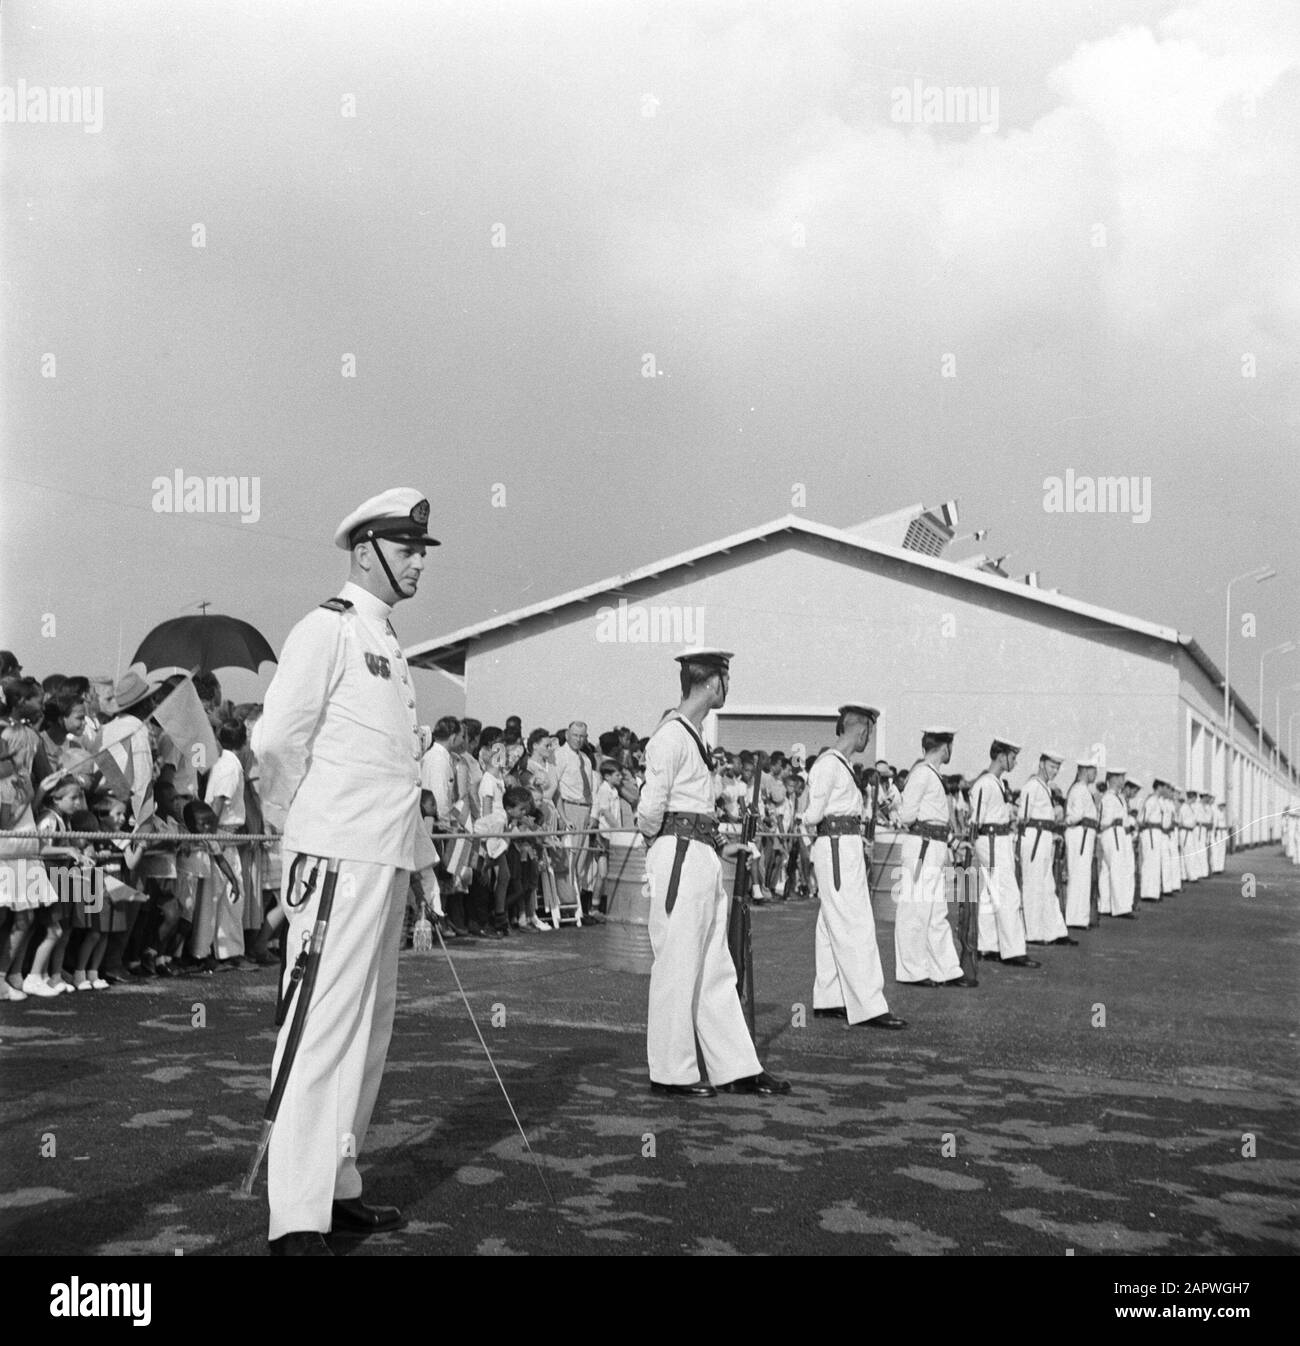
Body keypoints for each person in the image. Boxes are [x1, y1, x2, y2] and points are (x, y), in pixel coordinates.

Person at [255, 486, 441, 1255]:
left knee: (368, 1030)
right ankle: (295, 1214)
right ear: (365, 551)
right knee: (322, 1028)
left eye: (422, 552)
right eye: (406, 551)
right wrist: (302, 830)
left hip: (384, 855)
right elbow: (275, 744)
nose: (418, 564)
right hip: (337, 858)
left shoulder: (388, 644)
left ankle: (336, 1186)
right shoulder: (324, 630)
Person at [635, 648, 788, 1099]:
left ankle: (735, 1066)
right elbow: (650, 809)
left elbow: (695, 803)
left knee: (715, 965)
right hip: (678, 853)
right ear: (714, 683)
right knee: (678, 964)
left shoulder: (694, 735)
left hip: (700, 851)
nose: (728, 688)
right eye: (727, 679)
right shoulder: (670, 736)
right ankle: (670, 1072)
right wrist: (664, 844)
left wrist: (722, 843)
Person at [802, 703, 906, 1027]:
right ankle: (869, 1006)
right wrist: (816, 845)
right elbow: (810, 815)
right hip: (835, 848)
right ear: (862, 729)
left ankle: (829, 997)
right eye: (868, 733)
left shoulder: (841, 764)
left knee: (830, 924)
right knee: (855, 923)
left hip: (844, 845)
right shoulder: (828, 764)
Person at [895, 727, 970, 986]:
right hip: (922, 849)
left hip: (935, 848)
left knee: (937, 912)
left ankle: (945, 969)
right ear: (945, 747)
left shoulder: (933, 775)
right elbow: (906, 816)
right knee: (915, 909)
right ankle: (912, 970)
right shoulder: (922, 774)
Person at [971, 737, 1037, 968]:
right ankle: (1013, 950)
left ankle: (987, 945)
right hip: (990, 839)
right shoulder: (985, 783)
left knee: (990, 894)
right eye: (1013, 757)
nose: (1015, 762)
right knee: (1008, 892)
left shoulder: (996, 783)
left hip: (998, 838)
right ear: (1001, 756)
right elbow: (975, 819)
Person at [1018, 750, 1073, 946]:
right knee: (1033, 885)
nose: (1055, 771)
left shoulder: (1045, 788)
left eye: (1058, 767)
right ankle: (1033, 932)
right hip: (1033, 838)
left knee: (1048, 886)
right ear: (1041, 764)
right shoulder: (1031, 786)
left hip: (1045, 838)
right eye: (1052, 766)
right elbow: (1023, 818)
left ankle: (1055, 931)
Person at [1063, 754, 1099, 930]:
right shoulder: (1079, 790)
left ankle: (1079, 916)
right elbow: (1075, 816)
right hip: (1080, 833)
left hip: (1085, 833)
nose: (1096, 774)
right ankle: (1075, 917)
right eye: (1093, 770)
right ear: (1084, 771)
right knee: (1079, 874)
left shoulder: (1084, 789)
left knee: (1083, 875)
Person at [1098, 767, 1135, 918]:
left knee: (1107, 870)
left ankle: (1106, 905)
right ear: (1113, 778)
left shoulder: (1118, 797)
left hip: (1119, 833)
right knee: (1117, 868)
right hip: (1112, 832)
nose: (1123, 780)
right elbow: (1105, 821)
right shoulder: (1108, 798)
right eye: (1120, 777)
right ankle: (1121, 907)